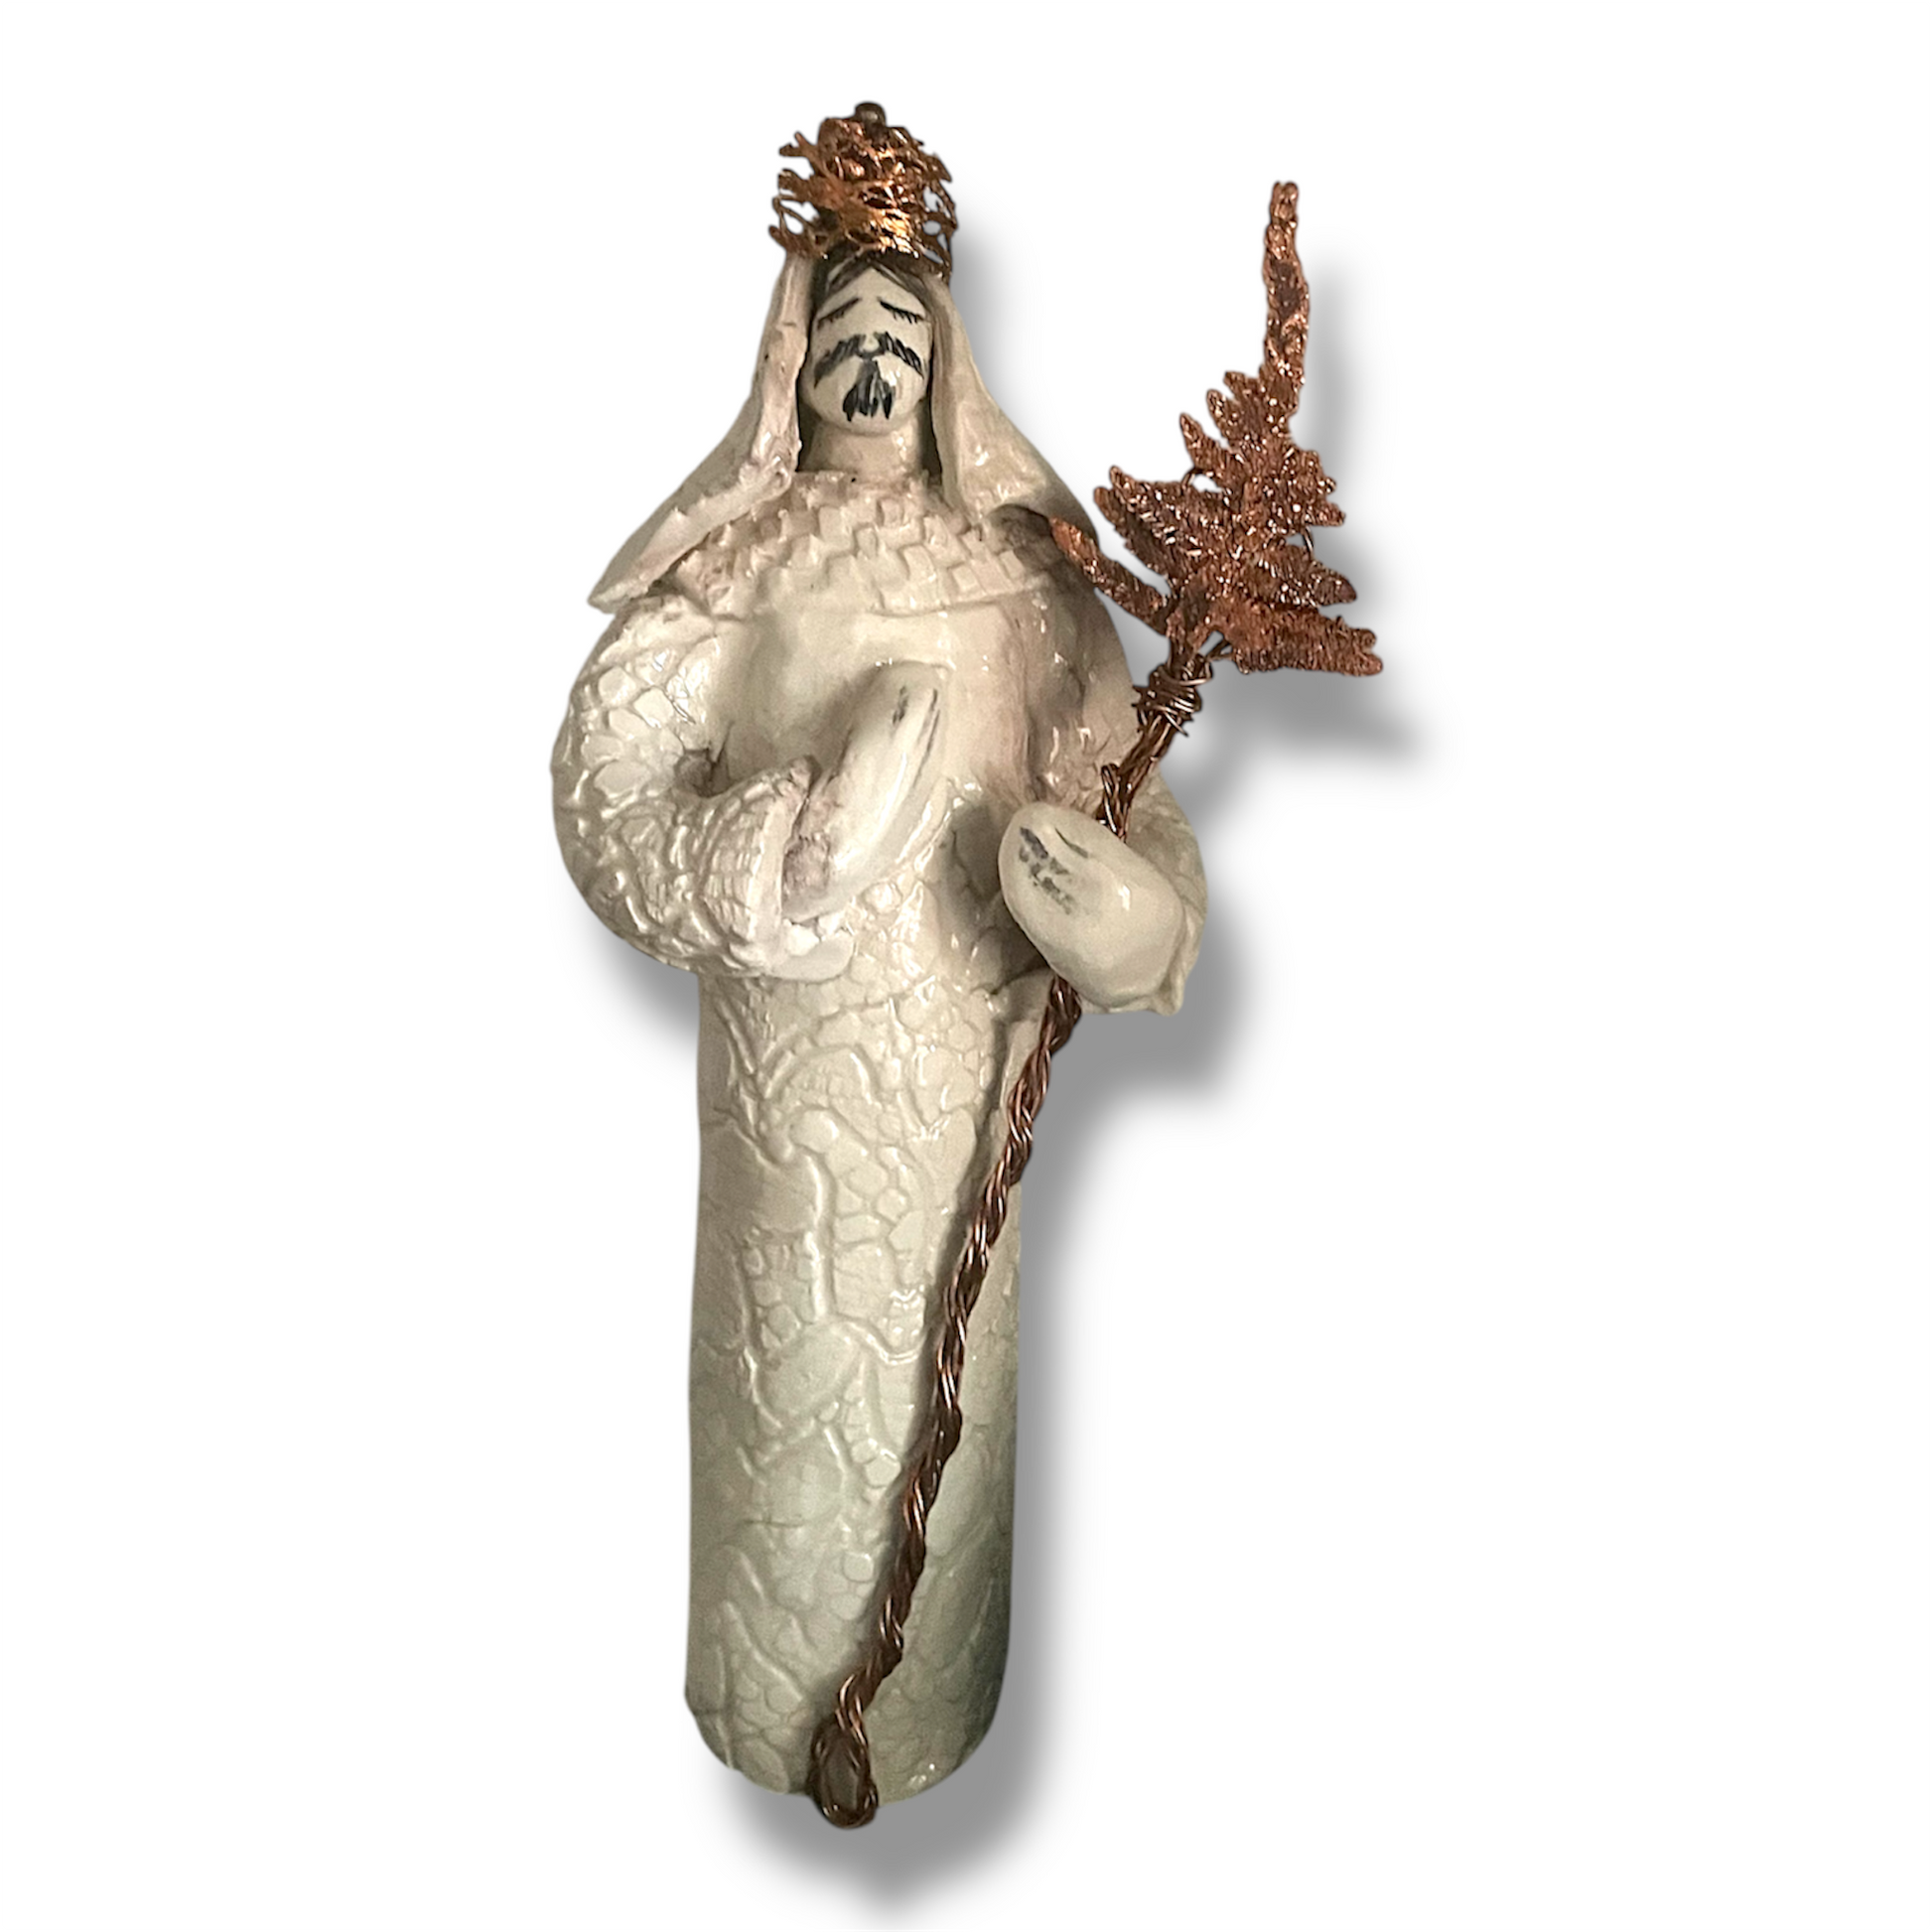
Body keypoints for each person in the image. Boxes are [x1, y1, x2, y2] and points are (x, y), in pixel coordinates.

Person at [552, 108, 1205, 1802]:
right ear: (788, 358)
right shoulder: (737, 570)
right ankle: (779, 1709)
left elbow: (1120, 785)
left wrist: (1135, 920)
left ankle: (911, 1710)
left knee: (945, 1382)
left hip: (959, 1074)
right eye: (839, 330)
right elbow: (607, 790)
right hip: (784, 1087)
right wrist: (770, 849)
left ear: (948, 368)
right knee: (786, 1381)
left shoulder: (1019, 581)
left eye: (898, 337)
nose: (868, 364)